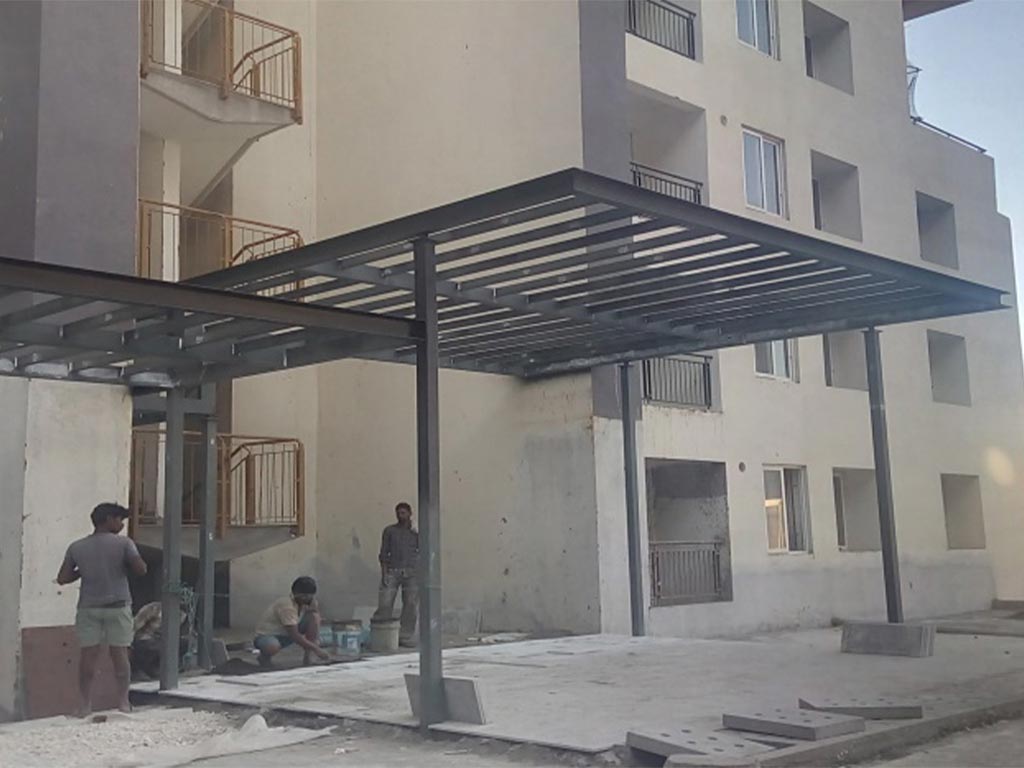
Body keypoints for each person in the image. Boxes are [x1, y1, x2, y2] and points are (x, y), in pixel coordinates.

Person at [57, 502, 148, 716]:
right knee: (120, 654)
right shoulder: (124, 543)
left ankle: (84, 705)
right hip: (118, 606)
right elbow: (141, 569)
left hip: (88, 607)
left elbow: (63, 578)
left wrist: (83, 571)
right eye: (119, 520)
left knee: (88, 656)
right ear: (108, 519)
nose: (122, 525)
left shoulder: (77, 547)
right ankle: (123, 702)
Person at [253, 576, 329, 667]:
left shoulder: (309, 602)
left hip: (287, 634)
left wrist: (314, 611)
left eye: (310, 596)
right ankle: (264, 658)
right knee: (272, 647)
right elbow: (295, 635)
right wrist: (316, 649)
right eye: (305, 596)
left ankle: (308, 657)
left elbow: (315, 623)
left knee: (314, 617)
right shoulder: (286, 606)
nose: (308, 599)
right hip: (268, 636)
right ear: (296, 594)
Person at [373, 501, 419, 647]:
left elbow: (424, 550)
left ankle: (405, 635)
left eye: (403, 513)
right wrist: (384, 573)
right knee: (385, 603)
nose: (400, 516)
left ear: (410, 514)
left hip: (412, 572)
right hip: (392, 571)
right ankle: (383, 634)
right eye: (398, 513)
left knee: (410, 604)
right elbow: (383, 553)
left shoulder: (416, 532)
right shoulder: (390, 531)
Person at [130, 601, 189, 680]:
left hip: (164, 639)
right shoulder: (153, 608)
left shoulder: (182, 615)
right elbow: (135, 626)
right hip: (146, 638)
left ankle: (162, 668)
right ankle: (142, 670)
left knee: (183, 644)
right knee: (151, 646)